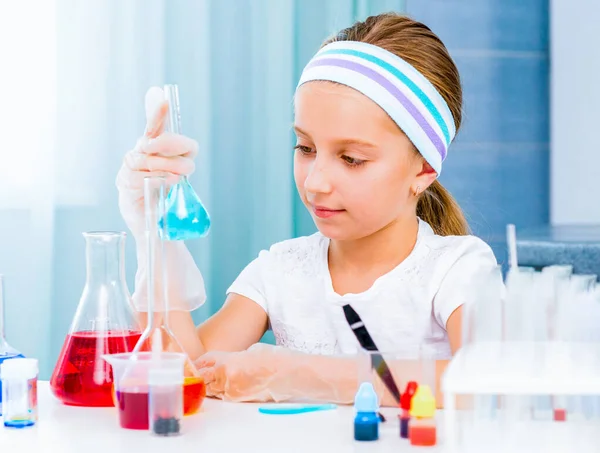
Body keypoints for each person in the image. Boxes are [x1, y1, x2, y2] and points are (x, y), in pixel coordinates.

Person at [116, 12, 500, 406]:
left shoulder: (457, 270)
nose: (316, 182)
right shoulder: (281, 271)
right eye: (305, 148)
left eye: (351, 158)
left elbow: (487, 381)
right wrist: (153, 236)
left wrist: (299, 374)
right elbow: (186, 377)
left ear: (423, 170)